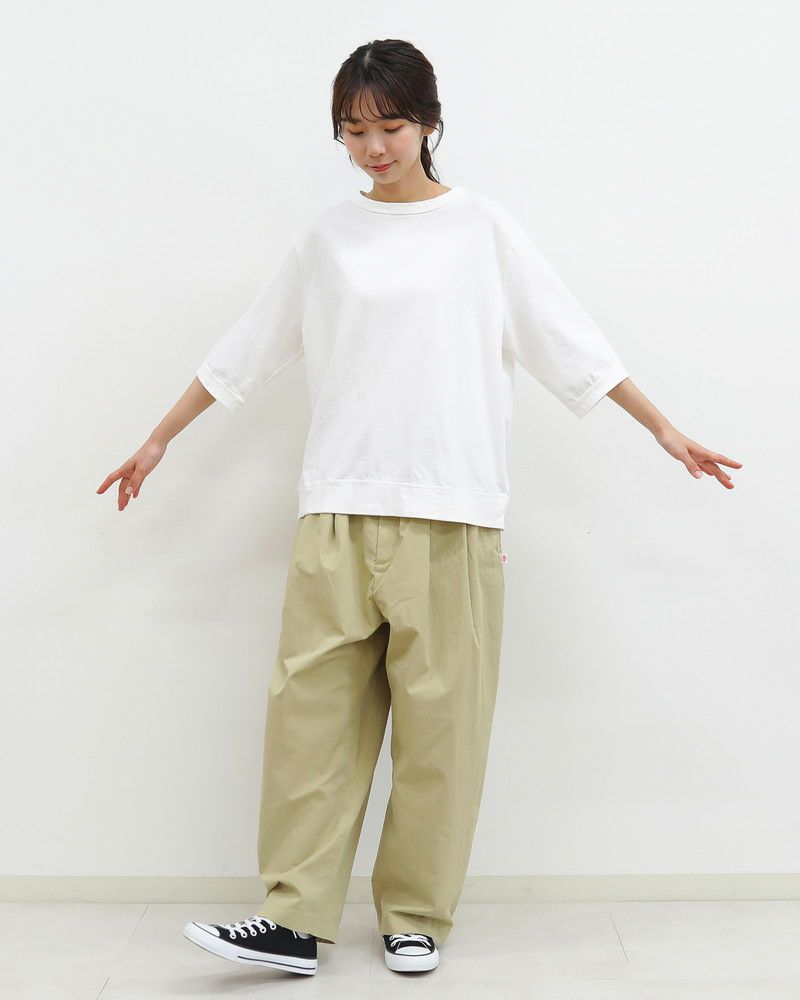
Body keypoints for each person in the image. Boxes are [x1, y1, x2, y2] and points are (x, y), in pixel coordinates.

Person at [96, 38, 743, 978]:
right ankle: (293, 918)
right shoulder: (327, 238)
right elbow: (247, 345)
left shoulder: (482, 230)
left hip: (454, 510)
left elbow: (570, 341)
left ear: (430, 123)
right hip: (337, 508)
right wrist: (161, 437)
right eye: (353, 131)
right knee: (309, 724)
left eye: (390, 127)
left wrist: (664, 431)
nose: (373, 148)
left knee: (443, 732)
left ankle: (415, 917)